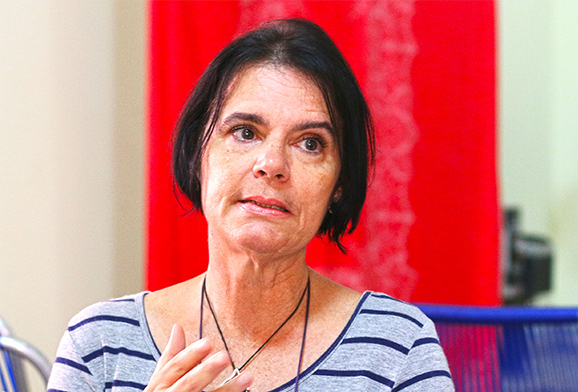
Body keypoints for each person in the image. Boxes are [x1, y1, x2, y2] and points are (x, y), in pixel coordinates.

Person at [48, 19, 452, 392]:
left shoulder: (399, 346)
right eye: (245, 132)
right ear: (196, 154)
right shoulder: (100, 343)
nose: (272, 165)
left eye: (310, 143)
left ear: (340, 185)